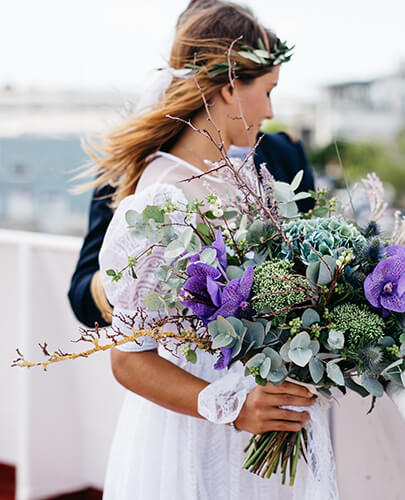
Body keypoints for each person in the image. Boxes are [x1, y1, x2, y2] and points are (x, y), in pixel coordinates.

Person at [82, 4, 335, 499]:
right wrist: (233, 407)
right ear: (229, 89)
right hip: (195, 436)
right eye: (268, 91)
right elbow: (128, 361)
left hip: (260, 431)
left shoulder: (248, 179)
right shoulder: (163, 200)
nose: (271, 111)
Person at [68, 0, 315, 329]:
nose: (270, 111)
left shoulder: (280, 156)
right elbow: (87, 298)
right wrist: (142, 268)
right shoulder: (141, 173)